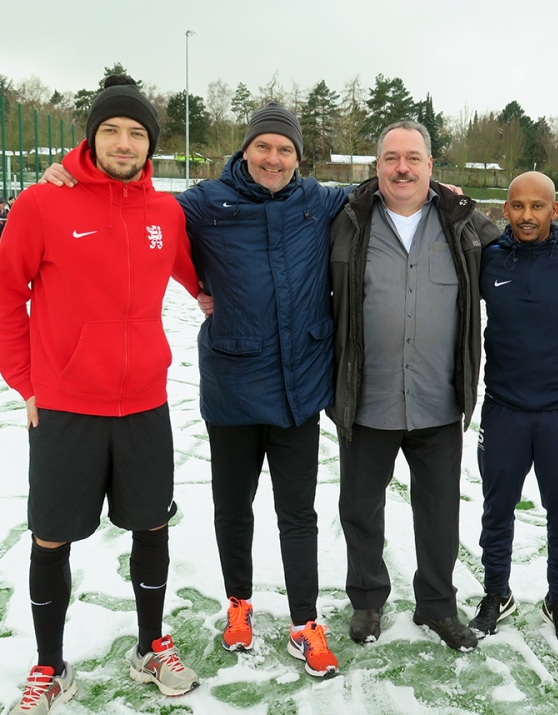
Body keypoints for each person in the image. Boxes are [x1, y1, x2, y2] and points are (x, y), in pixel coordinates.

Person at [42, 101, 352, 678]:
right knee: (232, 508)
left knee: (298, 513)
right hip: (234, 384)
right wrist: (69, 173)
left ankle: (306, 622)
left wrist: (440, 189)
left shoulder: (318, 199)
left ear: (299, 158)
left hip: (300, 387)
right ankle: (239, 605)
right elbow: (132, 204)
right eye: (263, 146)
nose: (273, 158)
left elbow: (385, 189)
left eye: (285, 149)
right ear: (246, 149)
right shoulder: (206, 202)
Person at [0, 75, 203, 715]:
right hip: (65, 406)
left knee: (152, 525)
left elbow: (203, 279)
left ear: (151, 145)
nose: (124, 143)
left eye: (137, 133)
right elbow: (7, 298)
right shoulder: (42, 203)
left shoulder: (166, 213)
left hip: (144, 404)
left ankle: (151, 646)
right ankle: (50, 666)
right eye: (111, 130)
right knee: (52, 537)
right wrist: (25, 383)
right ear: (91, 136)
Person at [329, 120, 500, 651]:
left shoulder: (462, 222)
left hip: (438, 398)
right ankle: (367, 600)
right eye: (391, 158)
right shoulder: (347, 220)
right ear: (376, 165)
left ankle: (437, 606)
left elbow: (526, 243)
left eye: (412, 158)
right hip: (367, 398)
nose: (401, 168)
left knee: (439, 512)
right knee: (360, 508)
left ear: (430, 165)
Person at [469, 172, 558, 648]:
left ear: (555, 210)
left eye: (538, 206)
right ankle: (496, 593)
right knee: (496, 510)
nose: (527, 216)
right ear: (505, 209)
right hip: (503, 410)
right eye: (518, 206)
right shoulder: (487, 259)